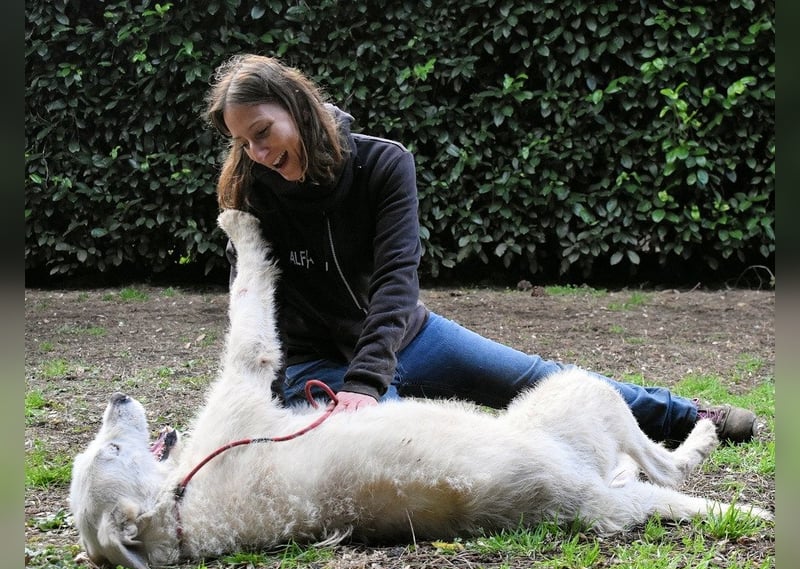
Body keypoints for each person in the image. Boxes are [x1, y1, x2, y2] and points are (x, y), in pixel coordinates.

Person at [204, 53, 758, 444]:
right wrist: (267, 401)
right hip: (316, 362)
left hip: (406, 336)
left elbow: (398, 276)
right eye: (242, 141)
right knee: (396, 448)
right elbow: (251, 301)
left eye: (262, 132)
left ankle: (688, 416)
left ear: (295, 107)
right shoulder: (250, 194)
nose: (256, 151)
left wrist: (369, 380)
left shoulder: (383, 165)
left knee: (543, 380)